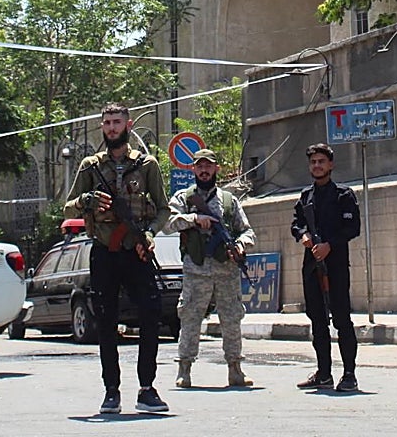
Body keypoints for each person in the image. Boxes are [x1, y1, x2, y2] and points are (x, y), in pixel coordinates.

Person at [65, 103, 171, 415]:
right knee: (106, 322)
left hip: (137, 251)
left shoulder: (147, 164)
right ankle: (111, 390)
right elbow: (67, 208)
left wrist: (150, 234)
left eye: (117, 122)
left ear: (128, 123)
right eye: (107, 123)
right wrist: (87, 200)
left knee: (151, 315)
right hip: (105, 252)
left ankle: (147, 387)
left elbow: (163, 208)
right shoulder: (90, 166)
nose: (112, 128)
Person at [166, 148, 256, 389]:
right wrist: (194, 219)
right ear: (193, 169)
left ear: (216, 169)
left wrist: (239, 244)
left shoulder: (229, 200)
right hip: (196, 268)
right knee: (190, 317)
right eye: (200, 166)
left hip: (226, 269)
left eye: (209, 166)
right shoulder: (184, 198)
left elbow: (247, 230)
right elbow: (168, 222)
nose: (204, 170)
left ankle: (235, 368)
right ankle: (184, 368)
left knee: (232, 317)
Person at [290, 142, 361, 392]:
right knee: (317, 321)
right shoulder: (305, 197)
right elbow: (296, 223)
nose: (317, 166)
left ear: (330, 165)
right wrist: (303, 236)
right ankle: (323, 372)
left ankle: (349, 374)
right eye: (313, 162)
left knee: (342, 319)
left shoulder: (344, 195)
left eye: (321, 161)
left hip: (336, 265)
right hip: (312, 266)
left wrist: (330, 244)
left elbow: (353, 228)